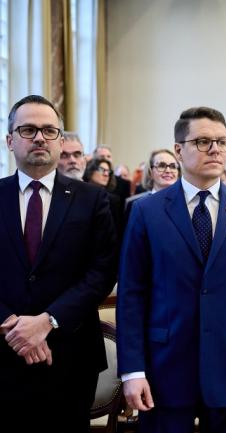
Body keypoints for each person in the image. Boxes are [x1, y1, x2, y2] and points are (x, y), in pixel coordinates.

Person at [117, 106, 226, 433]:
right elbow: (132, 295)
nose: (215, 149)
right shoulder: (146, 211)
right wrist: (133, 371)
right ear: (179, 150)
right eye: (203, 141)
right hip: (165, 367)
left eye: (222, 141)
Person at [0, 95, 117, 432]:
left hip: (71, 355)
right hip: (4, 352)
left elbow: (102, 271)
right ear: (10, 140)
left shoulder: (93, 200)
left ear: (60, 141)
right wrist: (11, 323)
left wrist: (47, 321)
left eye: (49, 131)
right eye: (28, 130)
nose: (40, 138)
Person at [124, 149, 181, 222]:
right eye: (161, 166)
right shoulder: (135, 205)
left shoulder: (187, 203)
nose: (168, 170)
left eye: (173, 166)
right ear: (150, 172)